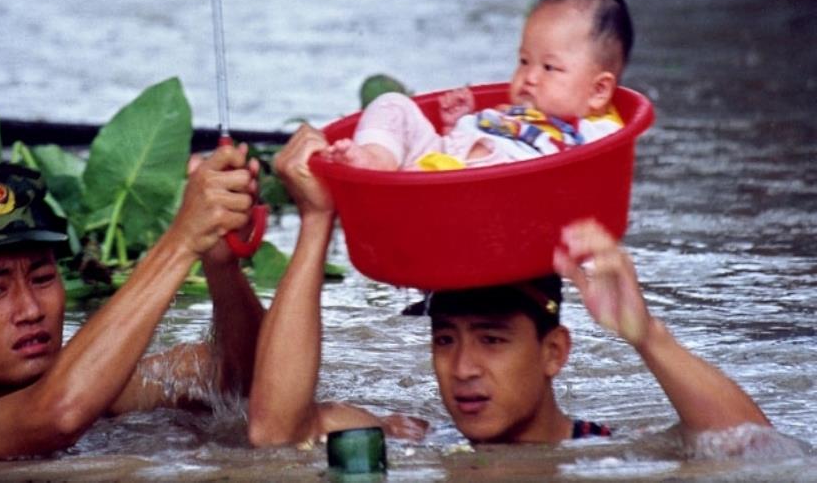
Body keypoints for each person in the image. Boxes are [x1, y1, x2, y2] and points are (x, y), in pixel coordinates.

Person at [247, 125, 771, 446]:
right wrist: (316, 221)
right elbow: (275, 435)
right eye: (444, 339)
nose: (462, 369)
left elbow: (756, 448)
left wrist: (646, 335)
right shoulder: (411, 441)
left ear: (553, 352)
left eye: (492, 339)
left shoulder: (604, 452)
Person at [0, 147, 265, 459]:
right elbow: (56, 415)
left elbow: (242, 377)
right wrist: (181, 242)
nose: (30, 310)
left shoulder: (102, 387)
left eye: (42, 279)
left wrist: (220, 263)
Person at [326, 0, 634, 170]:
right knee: (392, 104)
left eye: (549, 67)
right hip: (439, 161)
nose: (529, 77)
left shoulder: (592, 130)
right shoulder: (512, 114)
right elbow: (467, 141)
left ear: (598, 91)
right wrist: (456, 125)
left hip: (487, 190)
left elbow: (604, 164)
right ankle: (377, 159)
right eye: (524, 60)